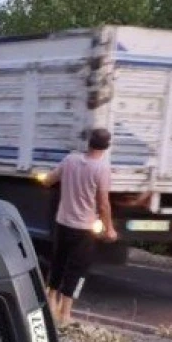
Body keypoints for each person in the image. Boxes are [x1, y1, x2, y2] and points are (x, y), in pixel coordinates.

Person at [42, 128, 117, 325]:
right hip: (84, 227)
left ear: (89, 142)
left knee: (58, 261)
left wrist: (41, 178)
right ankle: (65, 314)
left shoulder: (70, 160)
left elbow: (49, 179)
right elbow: (103, 203)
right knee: (77, 269)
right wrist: (109, 228)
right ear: (107, 146)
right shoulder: (102, 168)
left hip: (62, 222)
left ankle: (51, 302)